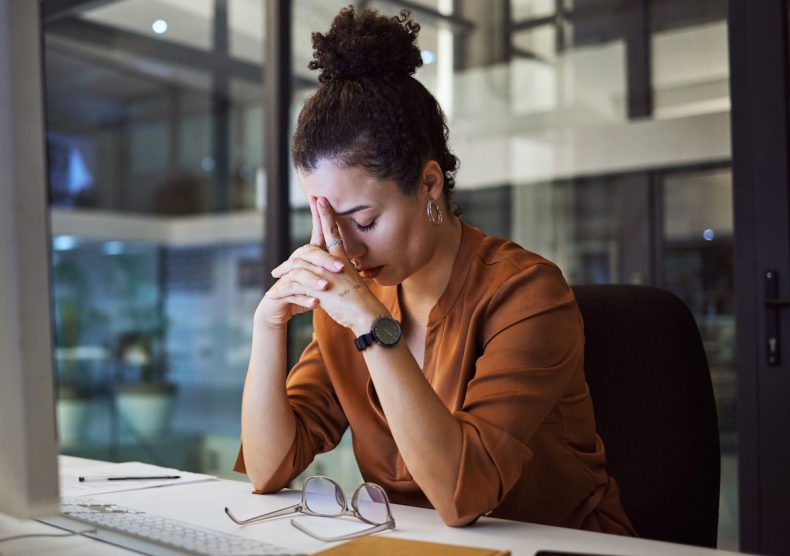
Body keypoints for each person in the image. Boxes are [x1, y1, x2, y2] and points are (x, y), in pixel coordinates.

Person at [234, 5, 636, 535]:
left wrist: (371, 328)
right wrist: (268, 324)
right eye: (328, 223)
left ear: (428, 184)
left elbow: (461, 494)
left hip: (563, 545)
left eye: (364, 220)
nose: (346, 251)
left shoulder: (527, 292)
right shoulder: (352, 302)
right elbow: (268, 469)